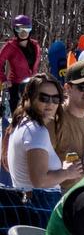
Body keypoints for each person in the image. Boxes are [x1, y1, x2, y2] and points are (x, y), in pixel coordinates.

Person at [6, 72, 70, 212]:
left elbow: (6, 164)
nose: (50, 104)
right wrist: (68, 172)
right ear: (29, 98)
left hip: (27, 205)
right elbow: (39, 181)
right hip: (41, 207)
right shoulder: (36, 131)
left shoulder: (20, 124)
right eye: (44, 98)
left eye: (55, 99)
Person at [0, 13, 42, 118]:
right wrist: (4, 79)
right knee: (18, 117)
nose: (23, 32)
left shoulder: (35, 46)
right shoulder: (10, 46)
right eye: (20, 29)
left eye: (26, 29)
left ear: (31, 30)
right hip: (16, 87)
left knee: (32, 116)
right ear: (15, 30)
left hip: (32, 86)